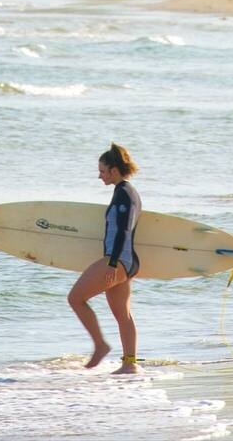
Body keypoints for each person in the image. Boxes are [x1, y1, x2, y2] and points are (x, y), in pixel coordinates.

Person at [70, 143, 144, 374]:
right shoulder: (127, 192)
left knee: (75, 299)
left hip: (118, 260)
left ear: (114, 170)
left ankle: (100, 345)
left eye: (102, 171)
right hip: (127, 262)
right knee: (123, 315)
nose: (99, 175)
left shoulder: (124, 193)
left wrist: (112, 263)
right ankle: (129, 365)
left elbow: (123, 229)